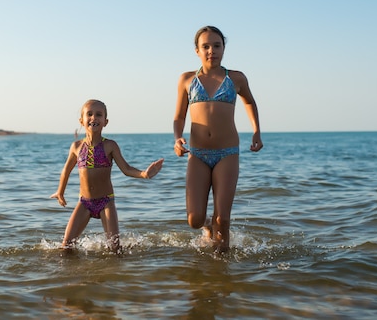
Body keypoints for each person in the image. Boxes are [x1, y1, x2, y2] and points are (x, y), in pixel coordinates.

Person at [173, 25, 263, 252]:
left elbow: (250, 102)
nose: (211, 50)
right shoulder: (186, 80)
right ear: (197, 51)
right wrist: (177, 138)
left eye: (217, 45)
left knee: (222, 219)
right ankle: (206, 228)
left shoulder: (236, 78)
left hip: (227, 154)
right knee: (194, 220)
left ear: (223, 48)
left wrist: (256, 131)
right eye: (206, 46)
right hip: (198, 154)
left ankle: (221, 272)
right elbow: (179, 116)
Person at [50, 99, 164, 254]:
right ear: (81, 120)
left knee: (115, 248)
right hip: (84, 202)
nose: (93, 118)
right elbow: (66, 171)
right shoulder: (76, 147)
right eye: (89, 114)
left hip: (106, 202)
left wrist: (144, 174)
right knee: (67, 245)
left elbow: (126, 169)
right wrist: (60, 192)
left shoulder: (110, 145)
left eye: (98, 115)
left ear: (105, 121)